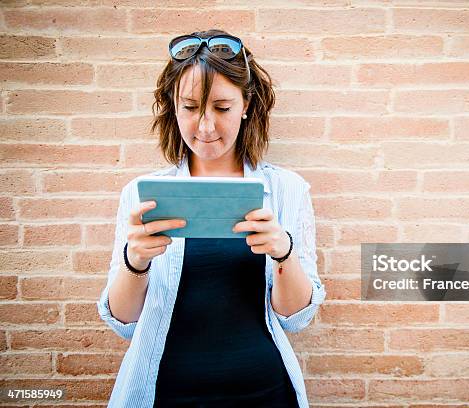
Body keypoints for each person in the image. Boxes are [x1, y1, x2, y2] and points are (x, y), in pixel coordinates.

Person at [97, 28, 326, 408]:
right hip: (161, 391)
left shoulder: (287, 189)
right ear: (173, 105)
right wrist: (133, 261)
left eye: (221, 108)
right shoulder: (142, 192)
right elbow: (124, 322)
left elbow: (294, 318)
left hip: (265, 392)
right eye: (190, 108)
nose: (205, 127)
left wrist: (284, 252)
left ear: (246, 104)